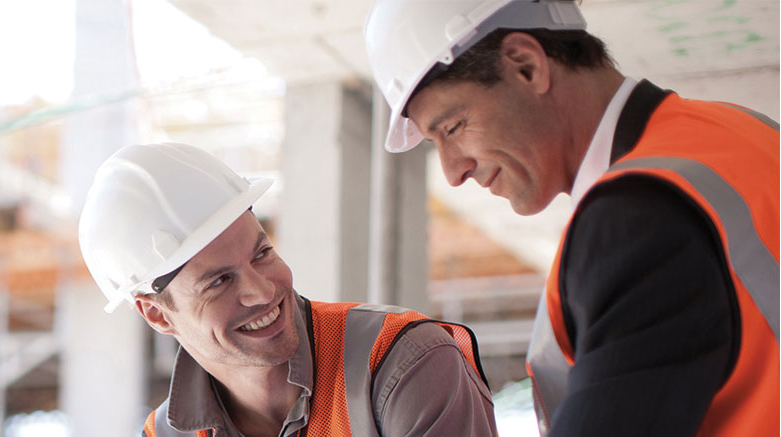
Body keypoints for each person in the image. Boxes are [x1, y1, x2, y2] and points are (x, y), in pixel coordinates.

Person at [362, 0, 779, 435]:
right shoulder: (740, 130)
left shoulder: (634, 219)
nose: (452, 172)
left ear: (526, 66)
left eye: (452, 127)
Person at [77, 142, 497, 436]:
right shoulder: (166, 433)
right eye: (220, 281)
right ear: (158, 314)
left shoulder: (401, 362)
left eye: (261, 254)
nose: (262, 292)